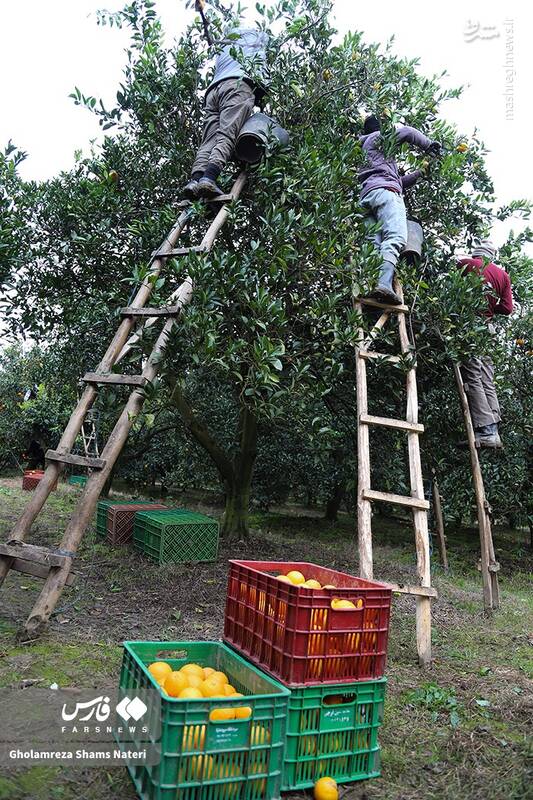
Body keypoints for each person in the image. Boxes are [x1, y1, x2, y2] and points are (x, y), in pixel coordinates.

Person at [182, 22, 269, 201]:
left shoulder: (225, 45)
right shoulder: (256, 41)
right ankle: (209, 178)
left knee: (209, 139)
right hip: (237, 86)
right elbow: (262, 77)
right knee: (227, 133)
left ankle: (195, 180)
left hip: (214, 91)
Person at [358, 116, 441, 305]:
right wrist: (429, 145)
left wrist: (420, 174)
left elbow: (397, 182)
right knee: (396, 237)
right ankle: (383, 284)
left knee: (374, 245)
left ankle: (371, 285)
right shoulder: (378, 138)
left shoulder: (362, 151)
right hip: (386, 194)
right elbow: (408, 132)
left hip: (367, 197)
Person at [458, 241, 513, 448]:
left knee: (472, 376)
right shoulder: (503, 276)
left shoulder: (466, 264)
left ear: (476, 254)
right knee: (486, 378)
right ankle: (494, 428)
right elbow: (507, 308)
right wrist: (490, 310)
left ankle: (486, 430)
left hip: (471, 326)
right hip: (488, 330)